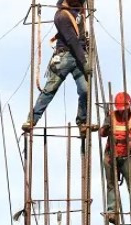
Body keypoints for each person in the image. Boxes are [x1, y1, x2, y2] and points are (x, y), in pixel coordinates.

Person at [22, 0, 92, 137]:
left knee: (85, 91)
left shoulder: (79, 12)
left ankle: (82, 121)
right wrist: (84, 62)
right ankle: (32, 120)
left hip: (79, 55)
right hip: (65, 56)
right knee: (50, 89)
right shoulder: (61, 16)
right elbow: (72, 40)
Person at [99, 91, 131, 223]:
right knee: (111, 184)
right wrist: (106, 127)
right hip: (111, 156)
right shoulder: (112, 116)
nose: (122, 112)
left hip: (127, 157)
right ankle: (111, 211)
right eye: (120, 110)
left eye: (124, 109)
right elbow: (102, 134)